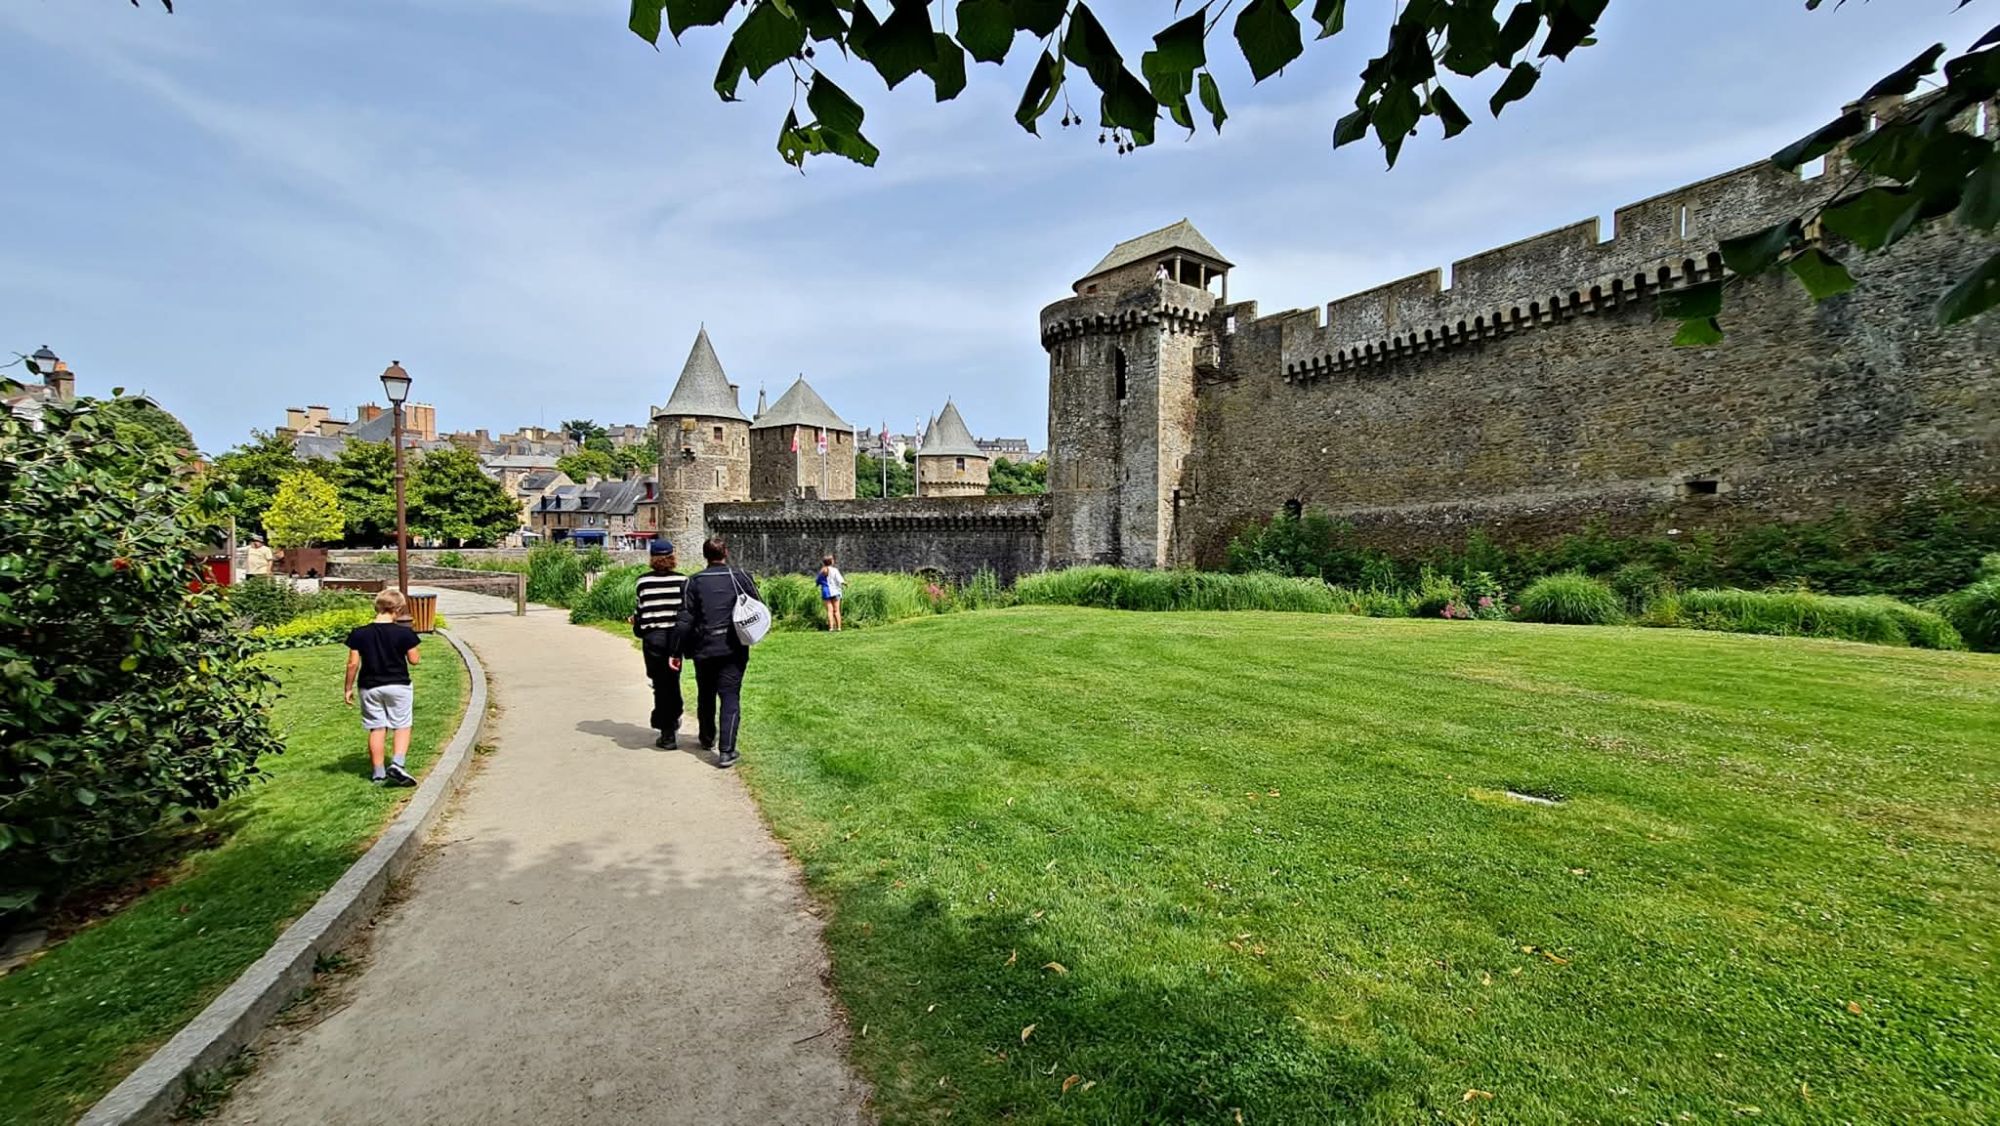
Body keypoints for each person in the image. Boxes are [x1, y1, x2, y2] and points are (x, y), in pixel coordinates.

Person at [671, 536, 758, 769]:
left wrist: (675, 651)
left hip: (704, 647)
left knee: (706, 694)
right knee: (730, 696)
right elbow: (757, 607)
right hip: (733, 647)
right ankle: (727, 751)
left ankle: (707, 737)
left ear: (705, 555)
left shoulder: (693, 582)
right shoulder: (740, 577)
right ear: (725, 553)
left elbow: (684, 621)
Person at [344, 589, 422, 786]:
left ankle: (378, 773)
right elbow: (414, 660)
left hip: (369, 686)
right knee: (402, 725)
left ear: (377, 607)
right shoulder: (404, 633)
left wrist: (348, 688)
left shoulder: (359, 633)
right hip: (398, 684)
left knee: (377, 728)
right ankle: (397, 764)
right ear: (398, 609)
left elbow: (352, 664)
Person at [631, 540, 688, 748]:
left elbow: (640, 612)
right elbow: (685, 612)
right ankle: (672, 716)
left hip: (654, 638)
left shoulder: (643, 582)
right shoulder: (683, 580)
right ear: (672, 557)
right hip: (675, 639)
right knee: (672, 680)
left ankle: (667, 731)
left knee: (660, 684)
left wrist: (637, 624)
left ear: (652, 558)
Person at [817, 553, 845, 632]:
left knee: (830, 611)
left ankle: (831, 628)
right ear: (831, 561)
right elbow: (840, 580)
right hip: (835, 591)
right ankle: (839, 628)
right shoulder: (835, 570)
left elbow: (818, 582)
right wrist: (845, 583)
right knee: (837, 610)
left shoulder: (822, 571)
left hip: (826, 592)